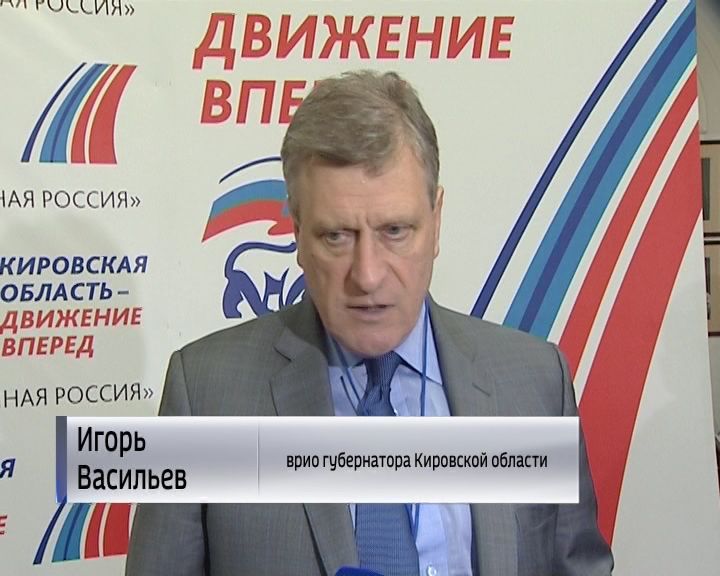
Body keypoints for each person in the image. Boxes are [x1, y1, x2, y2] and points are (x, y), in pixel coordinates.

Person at [126, 70, 613, 576]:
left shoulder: (535, 384)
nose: (368, 275)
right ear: (297, 232)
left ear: (436, 220)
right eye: (336, 236)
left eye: (395, 230)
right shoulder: (206, 396)